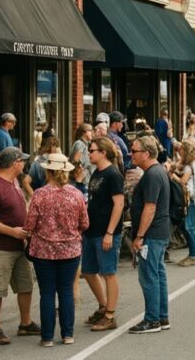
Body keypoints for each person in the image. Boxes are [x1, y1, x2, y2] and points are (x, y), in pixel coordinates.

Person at [25, 153, 88, 346]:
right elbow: (84, 223)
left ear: (48, 171)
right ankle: (67, 334)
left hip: (43, 250)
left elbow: (29, 225)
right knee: (66, 291)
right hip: (70, 250)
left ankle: (47, 337)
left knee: (47, 293)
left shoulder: (40, 194)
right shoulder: (76, 194)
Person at [0, 147, 38, 345]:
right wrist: (13, 231)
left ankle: (25, 322)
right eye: (22, 160)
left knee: (26, 285)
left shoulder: (14, 181)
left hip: (18, 246)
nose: (24, 164)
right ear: (15, 163)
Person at [128, 135, 172, 334]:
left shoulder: (153, 174)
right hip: (159, 232)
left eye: (135, 151)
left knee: (149, 276)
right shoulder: (157, 171)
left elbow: (150, 207)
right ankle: (161, 317)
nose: (131, 154)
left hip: (152, 234)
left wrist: (139, 236)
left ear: (146, 153)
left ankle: (152, 319)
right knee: (157, 274)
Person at [81, 137, 125, 332]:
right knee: (89, 271)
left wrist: (110, 232)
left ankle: (110, 314)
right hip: (91, 231)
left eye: (92, 150)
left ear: (103, 152)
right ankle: (103, 305)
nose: (89, 153)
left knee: (108, 272)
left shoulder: (113, 174)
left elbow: (119, 204)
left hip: (105, 232)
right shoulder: (96, 173)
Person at [175, 141, 195, 266]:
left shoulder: (189, 167)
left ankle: (193, 256)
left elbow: (183, 182)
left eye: (182, 149)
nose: (180, 151)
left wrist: (174, 176)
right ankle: (192, 254)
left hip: (191, 199)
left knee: (190, 227)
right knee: (190, 226)